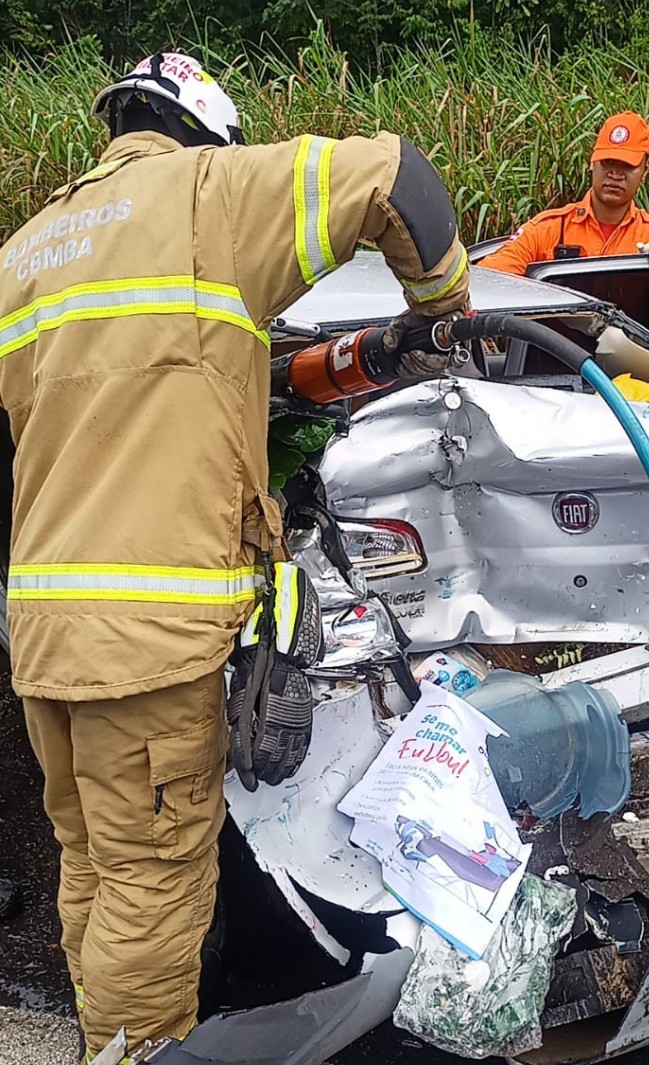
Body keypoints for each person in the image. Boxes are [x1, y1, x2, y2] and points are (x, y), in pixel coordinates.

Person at [0, 52, 472, 1062]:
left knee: (93, 862)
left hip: (46, 631)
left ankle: (99, 1030)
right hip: (149, 643)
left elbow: (131, 398)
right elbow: (398, 178)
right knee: (152, 884)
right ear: (205, 136)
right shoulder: (210, 194)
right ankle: (130, 1051)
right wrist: (439, 311)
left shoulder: (29, 249)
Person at [479, 111, 649, 277]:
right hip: (554, 331)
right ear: (592, 163)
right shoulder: (546, 230)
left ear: (644, 172)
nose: (615, 174)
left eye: (626, 166)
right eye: (608, 163)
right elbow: (488, 279)